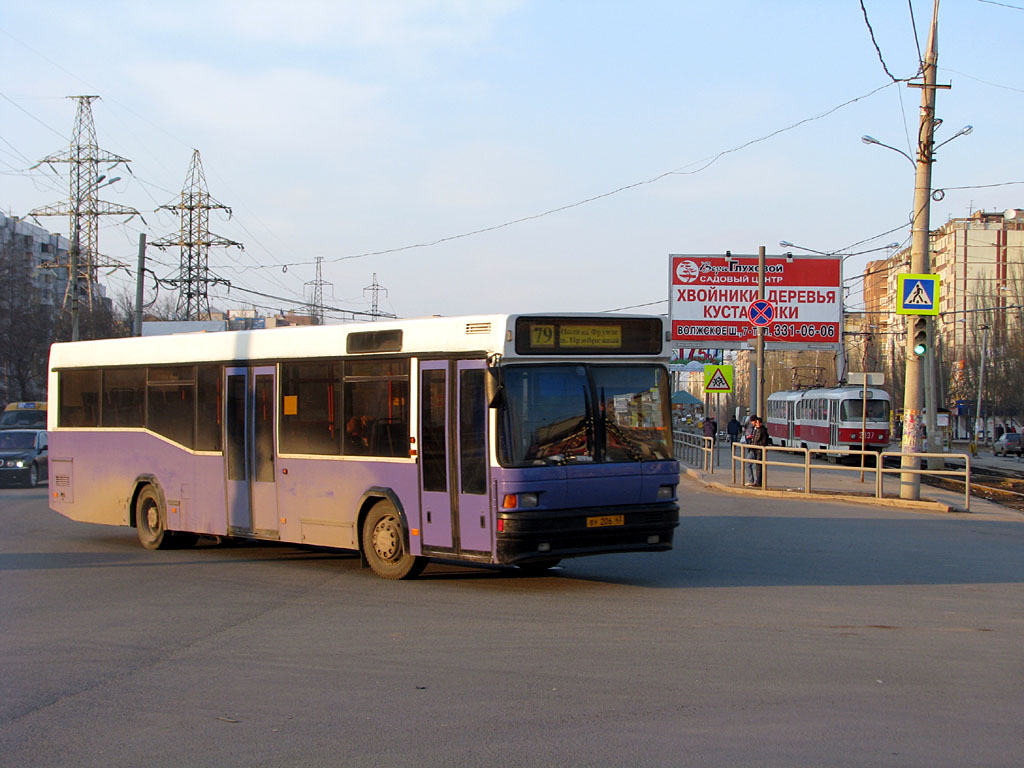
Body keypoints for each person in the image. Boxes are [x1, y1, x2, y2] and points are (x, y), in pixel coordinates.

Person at [745, 414, 770, 487]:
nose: (756, 424)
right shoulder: (755, 429)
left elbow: (763, 441)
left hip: (758, 450)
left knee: (758, 466)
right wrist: (751, 438)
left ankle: (758, 482)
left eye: (758, 422)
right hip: (753, 449)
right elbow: (755, 438)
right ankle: (751, 480)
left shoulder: (762, 430)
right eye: (756, 422)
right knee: (748, 464)